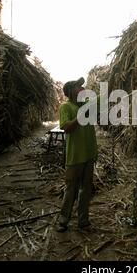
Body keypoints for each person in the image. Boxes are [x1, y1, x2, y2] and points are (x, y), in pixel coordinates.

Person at [57, 77, 98, 232]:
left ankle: (83, 220)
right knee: (71, 189)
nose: (82, 88)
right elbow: (66, 127)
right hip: (75, 156)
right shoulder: (65, 107)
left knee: (86, 189)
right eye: (78, 86)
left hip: (89, 154)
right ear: (70, 91)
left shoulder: (86, 105)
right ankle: (63, 220)